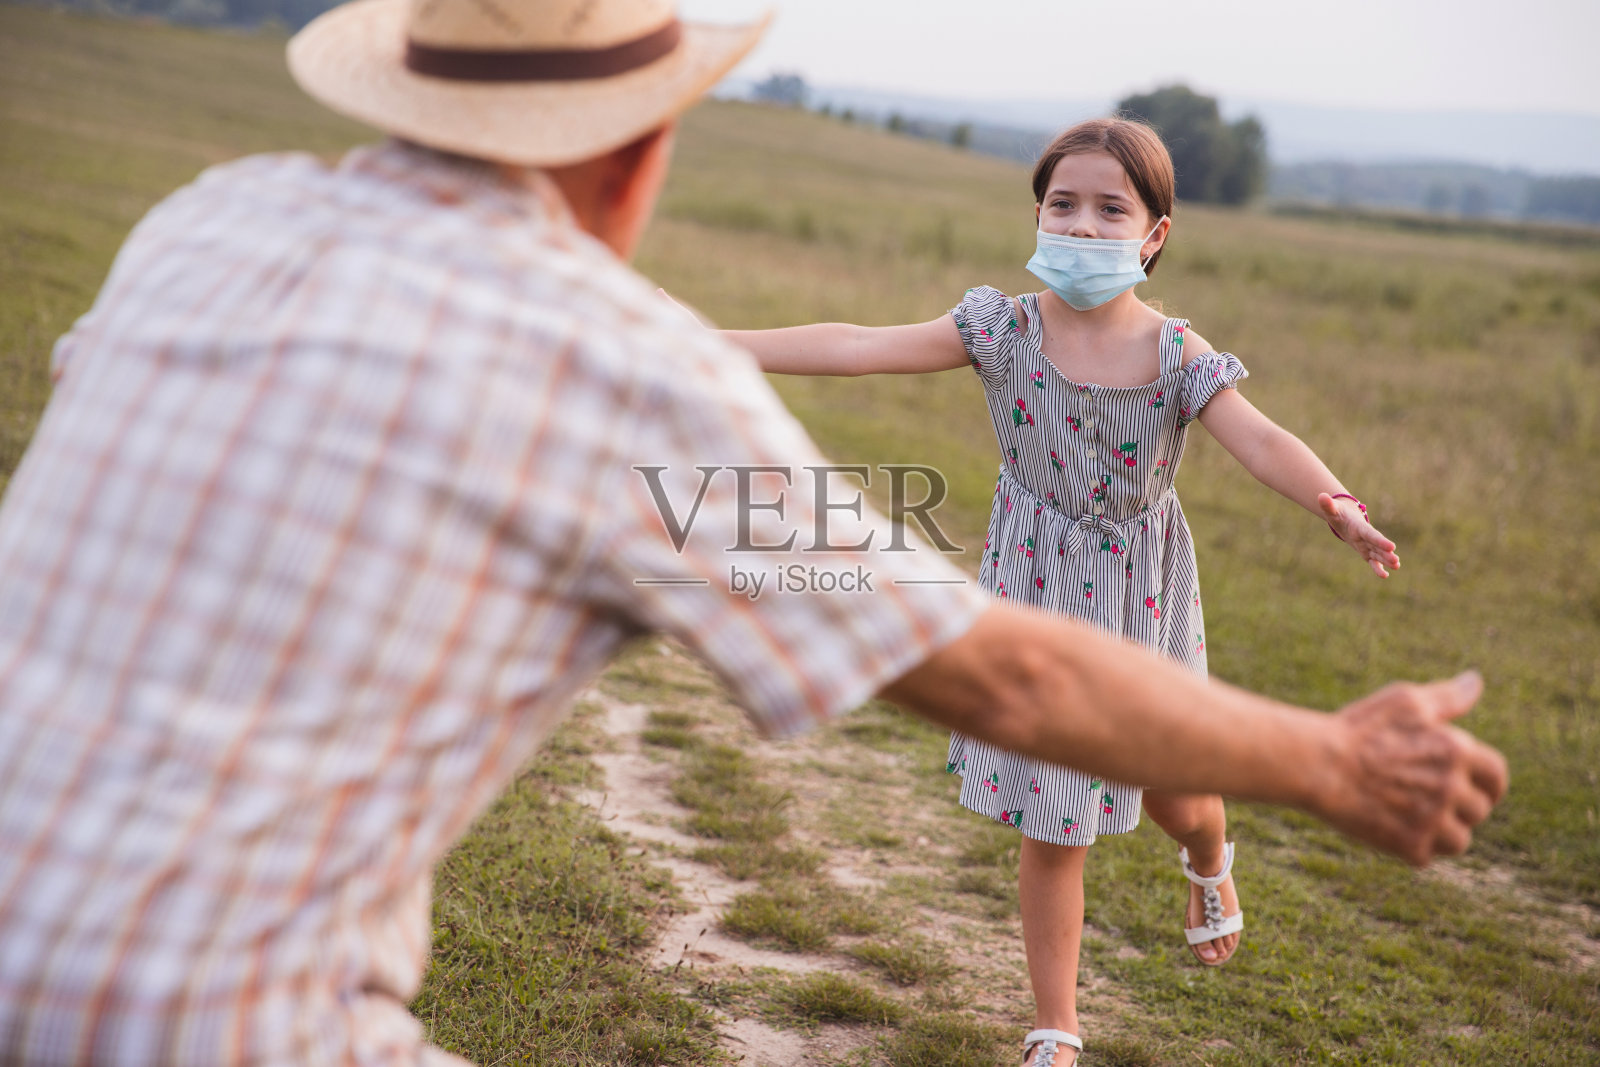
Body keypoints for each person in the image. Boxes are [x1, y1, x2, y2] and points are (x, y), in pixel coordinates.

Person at [0, 1, 1505, 1065]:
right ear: (637, 148)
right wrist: (1331, 758)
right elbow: (1007, 682)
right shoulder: (609, 373)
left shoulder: (204, 218)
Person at [714, 116, 1404, 1065]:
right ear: (1037, 214)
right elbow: (859, 342)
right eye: (1062, 204)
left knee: (1178, 790)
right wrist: (715, 346)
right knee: (1054, 813)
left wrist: (1333, 500)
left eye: (1110, 209)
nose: (1081, 227)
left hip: (1141, 597)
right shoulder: (1001, 328)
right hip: (1033, 585)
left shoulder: (1176, 355)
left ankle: (1210, 859)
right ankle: (1056, 1029)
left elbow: (1261, 438)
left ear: (1154, 234)